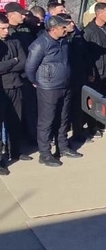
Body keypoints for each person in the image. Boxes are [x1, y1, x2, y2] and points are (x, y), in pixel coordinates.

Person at [25, 15, 82, 167]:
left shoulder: (63, 41)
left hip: (65, 85)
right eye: (62, 27)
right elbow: (30, 68)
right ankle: (45, 154)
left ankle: (63, 147)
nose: (65, 29)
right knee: (46, 121)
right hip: (48, 88)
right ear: (53, 29)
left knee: (63, 119)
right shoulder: (40, 44)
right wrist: (35, 82)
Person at [83, 2, 106, 138]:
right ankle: (93, 126)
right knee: (95, 99)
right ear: (98, 14)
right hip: (96, 72)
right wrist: (89, 73)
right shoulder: (88, 31)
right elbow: (85, 55)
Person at [0, 14, 28, 174]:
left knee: (16, 121)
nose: (5, 31)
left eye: (7, 28)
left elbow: (23, 62)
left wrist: (11, 65)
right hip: (1, 89)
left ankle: (16, 151)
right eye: (2, 28)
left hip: (16, 85)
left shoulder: (14, 42)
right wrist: (13, 62)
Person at [58, 13, 89, 143]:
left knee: (78, 106)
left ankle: (78, 132)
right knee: (64, 111)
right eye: (69, 22)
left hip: (79, 76)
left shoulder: (78, 36)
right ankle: (62, 138)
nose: (72, 24)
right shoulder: (60, 40)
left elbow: (84, 55)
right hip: (65, 79)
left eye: (72, 22)